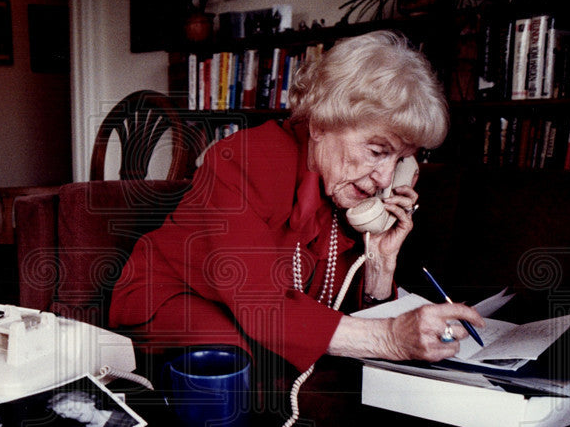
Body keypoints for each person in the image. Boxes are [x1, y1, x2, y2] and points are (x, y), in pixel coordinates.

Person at [109, 30, 485, 375]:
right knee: (234, 358)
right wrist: (390, 337)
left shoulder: (345, 193)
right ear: (321, 123)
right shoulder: (241, 162)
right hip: (174, 297)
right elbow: (262, 308)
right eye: (376, 151)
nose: (385, 180)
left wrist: (380, 263)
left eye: (400, 159)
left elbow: (343, 319)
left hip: (247, 317)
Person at [45, 390, 135, 427]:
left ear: (90, 402)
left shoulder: (127, 421)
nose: (67, 416)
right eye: (62, 414)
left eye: (71, 409)